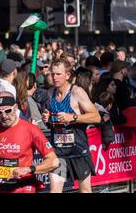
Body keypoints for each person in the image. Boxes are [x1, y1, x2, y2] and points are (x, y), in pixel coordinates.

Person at [0, 92, 58, 193]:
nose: (4, 116)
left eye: (8, 111)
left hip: (24, 186)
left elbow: (54, 161)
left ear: (15, 107)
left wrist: (29, 169)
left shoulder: (31, 130)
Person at [42, 58, 101, 193]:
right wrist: (47, 118)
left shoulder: (76, 92)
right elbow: (53, 120)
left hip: (78, 151)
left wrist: (73, 117)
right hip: (59, 152)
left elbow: (96, 117)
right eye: (52, 74)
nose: (54, 77)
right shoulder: (50, 93)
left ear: (67, 75)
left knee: (85, 190)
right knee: (54, 190)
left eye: (58, 74)